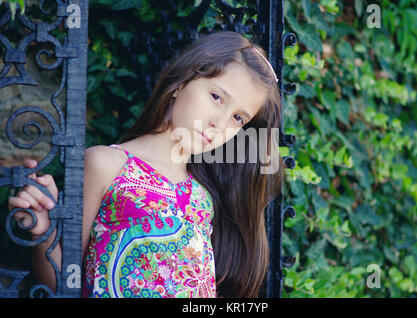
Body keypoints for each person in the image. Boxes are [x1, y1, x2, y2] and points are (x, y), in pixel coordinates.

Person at [8, 31, 285, 298]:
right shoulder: (106, 164)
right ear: (181, 83)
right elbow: (63, 283)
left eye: (238, 118)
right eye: (216, 97)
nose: (220, 124)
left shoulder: (202, 198)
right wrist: (45, 232)